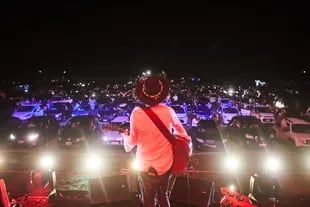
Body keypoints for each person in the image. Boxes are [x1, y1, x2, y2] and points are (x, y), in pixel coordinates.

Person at [123, 75, 191, 207]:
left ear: (143, 93)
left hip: (144, 165)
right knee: (163, 195)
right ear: (161, 94)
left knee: (147, 199)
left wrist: (125, 137)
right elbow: (183, 134)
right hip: (165, 164)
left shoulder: (136, 113)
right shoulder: (168, 111)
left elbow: (131, 143)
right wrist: (171, 138)